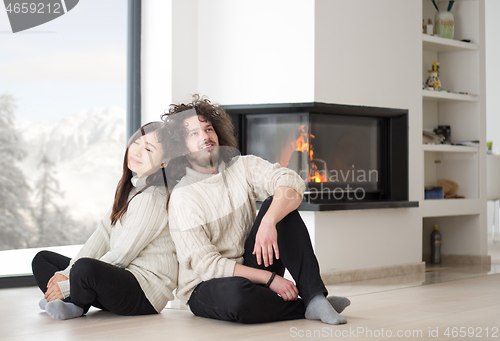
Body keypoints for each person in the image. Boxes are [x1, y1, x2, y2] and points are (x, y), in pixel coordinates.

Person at [163, 95, 350, 324]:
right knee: (238, 296)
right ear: (182, 150)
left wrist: (269, 220)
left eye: (208, 129)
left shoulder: (242, 166)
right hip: (207, 284)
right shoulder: (184, 196)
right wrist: (271, 279)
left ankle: (315, 297)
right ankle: (306, 306)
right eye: (194, 133)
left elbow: (291, 181)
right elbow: (207, 266)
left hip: (252, 265)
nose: (205, 136)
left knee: (280, 203)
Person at [31, 122, 178, 320]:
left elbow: (122, 255)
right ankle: (71, 298)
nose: (137, 151)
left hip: (143, 293)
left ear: (164, 162)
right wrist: (67, 273)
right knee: (43, 259)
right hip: (119, 279)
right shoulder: (131, 190)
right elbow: (102, 235)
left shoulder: (153, 198)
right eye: (137, 142)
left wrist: (66, 286)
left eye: (149, 149)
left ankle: (74, 303)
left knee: (84, 269)